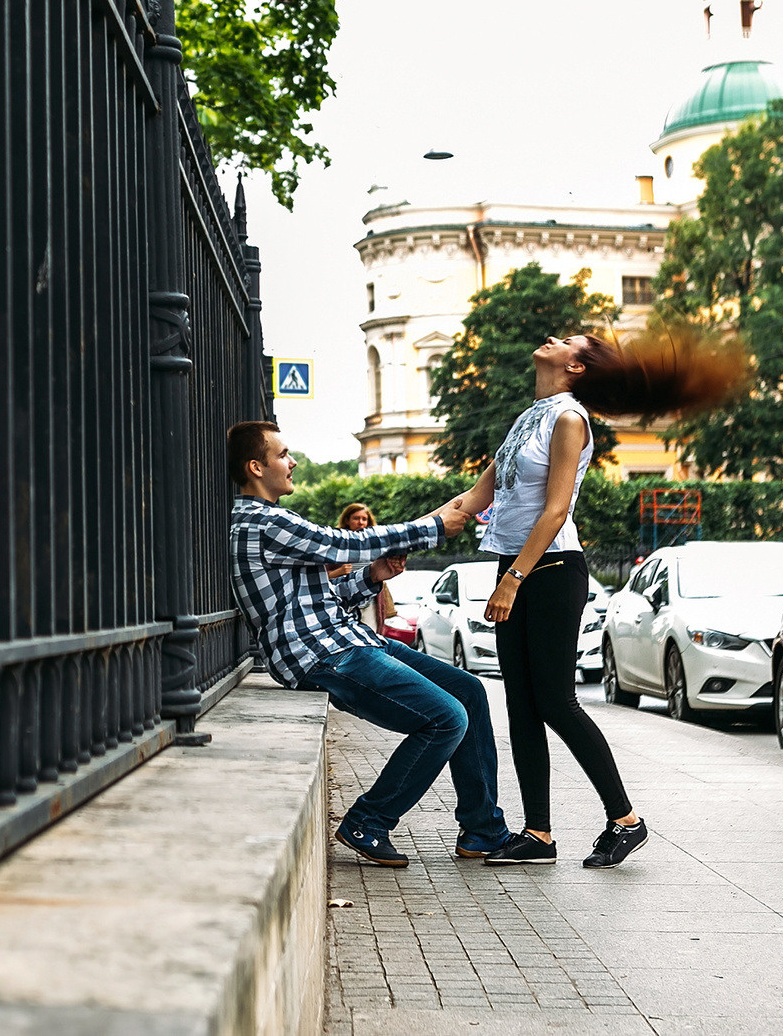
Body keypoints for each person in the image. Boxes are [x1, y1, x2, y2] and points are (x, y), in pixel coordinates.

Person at [441, 327, 744, 870]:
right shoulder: (527, 418)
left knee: (556, 701)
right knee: (521, 707)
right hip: (518, 567)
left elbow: (555, 510)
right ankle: (538, 835)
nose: (553, 337)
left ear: (576, 367)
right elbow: (478, 495)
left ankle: (625, 820)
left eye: (568, 340)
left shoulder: (569, 419)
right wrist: (413, 531)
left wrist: (512, 580)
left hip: (552, 570)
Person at [228, 421, 513, 868]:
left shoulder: (272, 522)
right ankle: (368, 820)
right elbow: (343, 543)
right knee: (445, 718)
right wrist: (432, 527)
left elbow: (316, 599)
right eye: (283, 454)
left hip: (347, 640)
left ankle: (483, 831)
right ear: (255, 467)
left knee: (470, 693)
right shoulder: (263, 522)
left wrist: (372, 577)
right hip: (323, 655)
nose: (293, 461)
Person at [328, 503, 395, 633]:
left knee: (371, 637)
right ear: (347, 520)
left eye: (364, 519)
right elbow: (317, 577)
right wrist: (338, 572)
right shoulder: (337, 544)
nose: (360, 522)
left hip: (370, 603)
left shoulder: (375, 544)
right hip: (343, 603)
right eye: (356, 518)